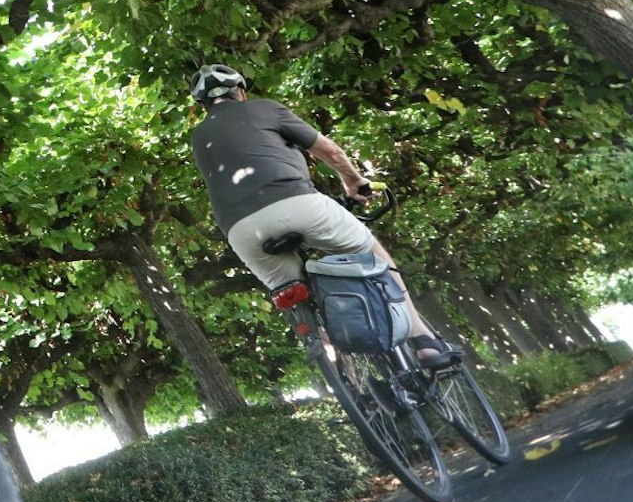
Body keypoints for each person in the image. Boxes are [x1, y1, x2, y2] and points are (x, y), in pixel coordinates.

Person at [186, 64, 456, 366]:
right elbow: (331, 152)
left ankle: (341, 371)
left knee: (295, 296)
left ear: (202, 106)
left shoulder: (198, 137)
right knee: (374, 255)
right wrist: (354, 181)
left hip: (241, 231)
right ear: (242, 91)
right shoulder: (266, 109)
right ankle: (422, 338)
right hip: (296, 203)